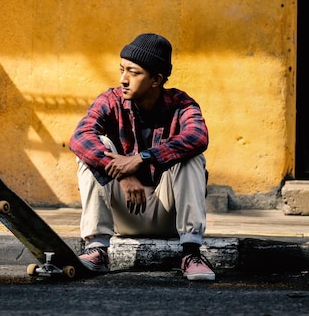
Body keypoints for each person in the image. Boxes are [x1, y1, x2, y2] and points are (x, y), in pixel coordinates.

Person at [68, 32, 215, 281]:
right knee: (96, 146)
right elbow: (79, 137)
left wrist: (143, 158)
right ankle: (97, 249)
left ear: (156, 80)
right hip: (123, 213)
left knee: (191, 156)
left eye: (133, 72)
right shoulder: (111, 100)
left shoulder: (180, 104)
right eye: (121, 69)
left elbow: (198, 136)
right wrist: (123, 174)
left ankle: (191, 252)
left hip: (169, 213)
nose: (123, 79)